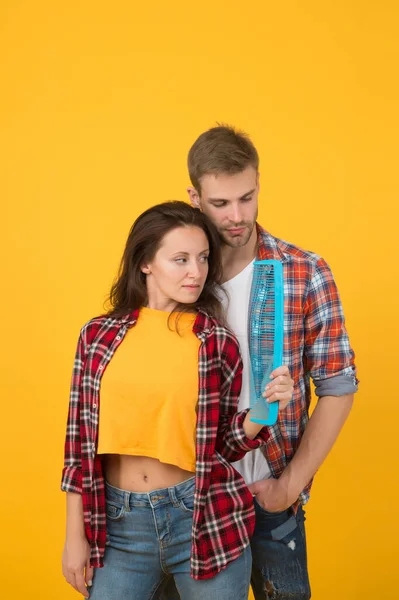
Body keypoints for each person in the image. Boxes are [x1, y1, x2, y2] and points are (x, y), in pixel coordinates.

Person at [160, 126, 358, 600]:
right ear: (194, 196)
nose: (237, 216)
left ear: (259, 183)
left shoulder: (304, 270)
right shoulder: (174, 274)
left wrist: (289, 485)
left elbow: (337, 385)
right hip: (187, 497)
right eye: (220, 203)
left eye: (246, 198)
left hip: (270, 496)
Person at [61, 201, 294, 600]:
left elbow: (221, 444)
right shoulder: (98, 337)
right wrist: (74, 535)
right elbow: (78, 445)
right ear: (145, 262)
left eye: (203, 258)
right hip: (119, 525)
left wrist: (261, 414)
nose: (196, 272)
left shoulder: (215, 341)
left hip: (201, 518)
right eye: (180, 259)